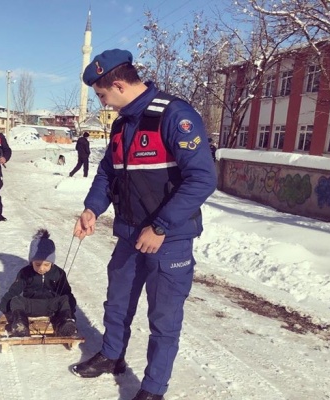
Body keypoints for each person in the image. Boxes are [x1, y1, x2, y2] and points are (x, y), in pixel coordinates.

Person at [70, 49, 217, 400]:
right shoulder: (122, 124)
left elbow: (202, 178)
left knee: (163, 320)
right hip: (129, 234)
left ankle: (152, 389)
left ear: (118, 85)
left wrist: (161, 226)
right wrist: (92, 208)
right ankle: (112, 355)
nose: (103, 103)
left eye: (103, 95)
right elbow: (108, 172)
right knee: (117, 302)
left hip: (169, 240)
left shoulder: (174, 115)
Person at [0, 229, 78, 337]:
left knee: (64, 299)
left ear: (52, 262)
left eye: (46, 265)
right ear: (31, 261)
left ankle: (65, 324)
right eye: (37, 264)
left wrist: (71, 313)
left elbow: (67, 293)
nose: (41, 268)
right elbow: (13, 292)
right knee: (16, 300)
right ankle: (20, 325)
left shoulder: (58, 273)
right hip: (31, 305)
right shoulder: (25, 273)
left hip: (51, 306)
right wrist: (0, 309)